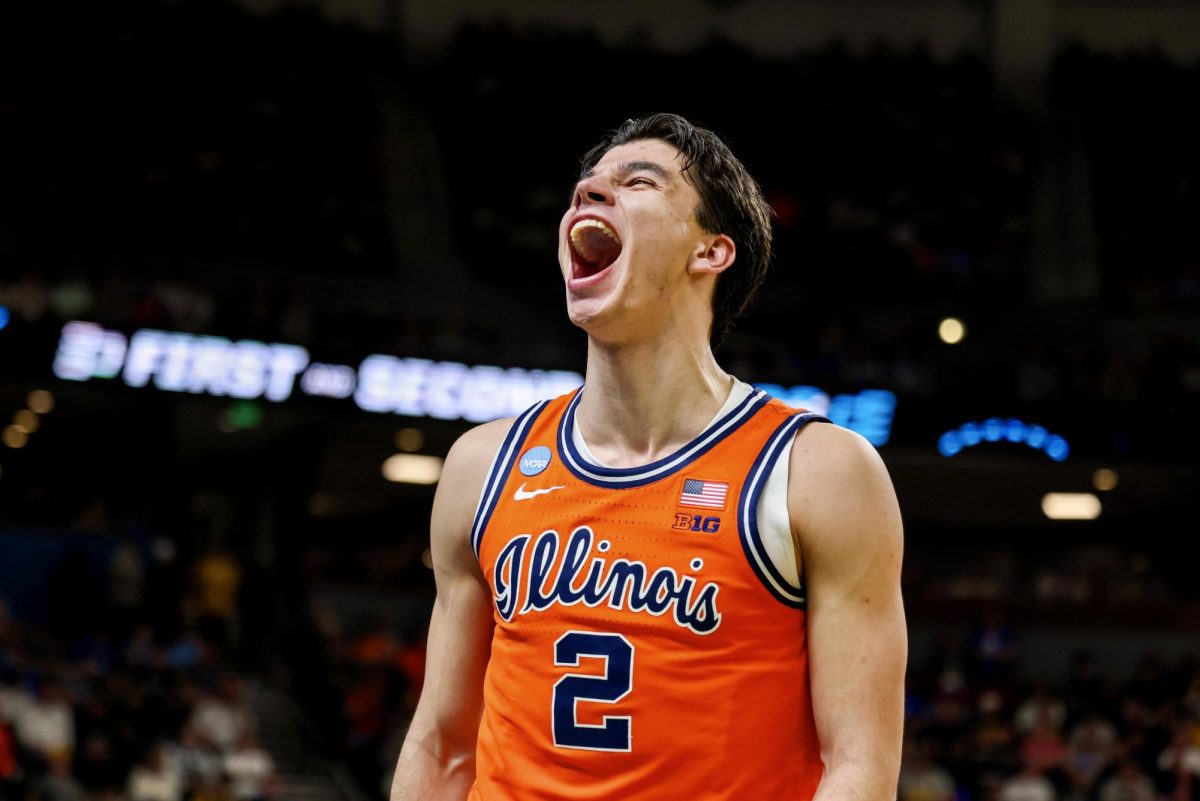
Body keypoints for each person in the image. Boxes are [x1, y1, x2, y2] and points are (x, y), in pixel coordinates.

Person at [390, 113, 907, 800]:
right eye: (586, 185)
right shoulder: (482, 464)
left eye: (638, 182)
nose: (589, 194)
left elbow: (860, 765)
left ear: (710, 251)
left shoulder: (818, 471)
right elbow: (443, 743)